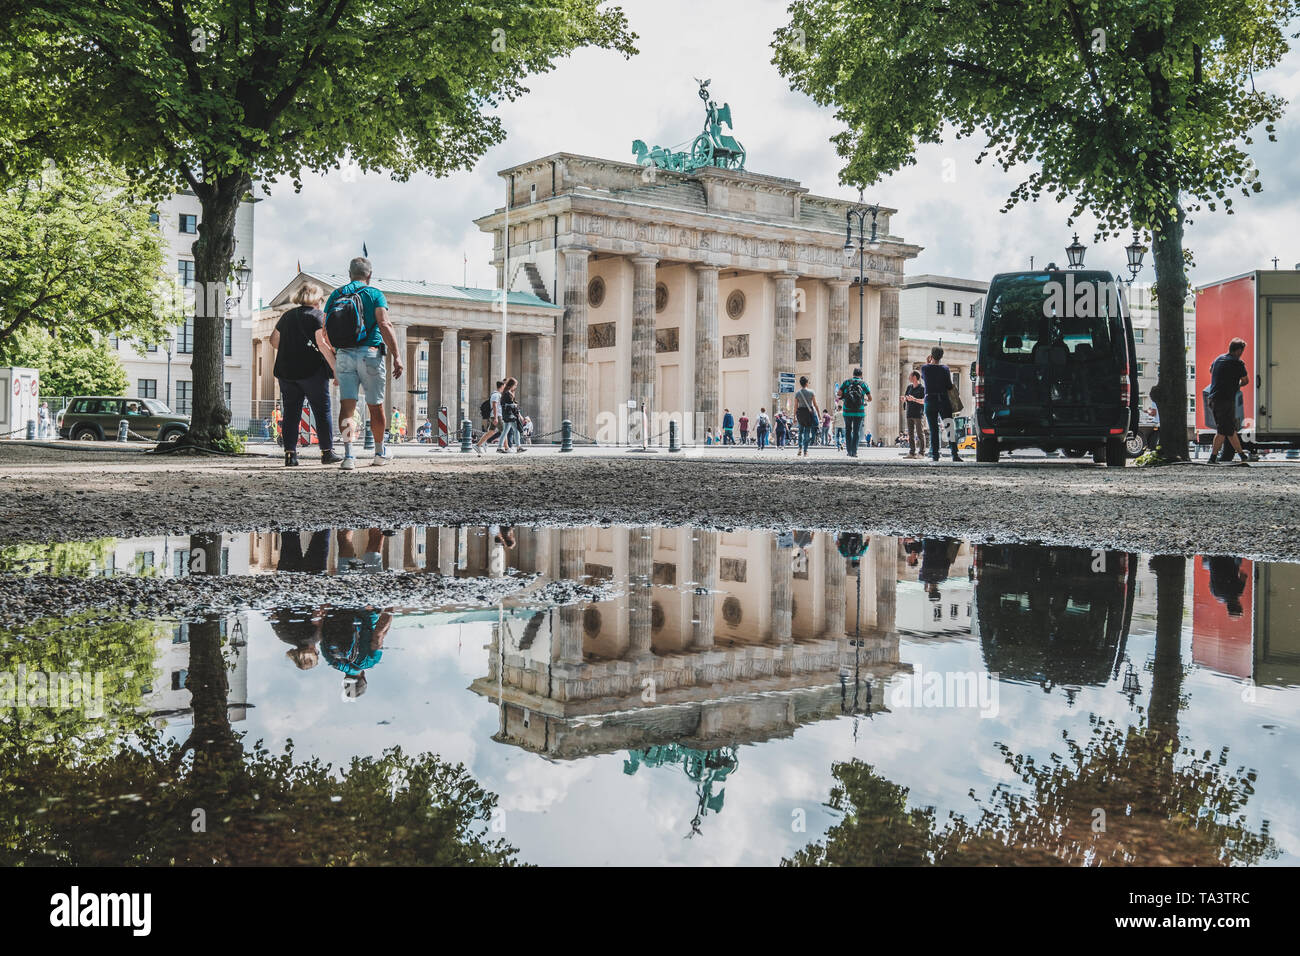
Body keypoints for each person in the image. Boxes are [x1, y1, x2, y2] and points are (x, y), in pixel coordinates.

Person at [324, 257, 403, 468]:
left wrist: (337, 352)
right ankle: (379, 452)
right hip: (370, 353)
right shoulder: (374, 294)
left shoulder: (336, 294)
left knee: (347, 407)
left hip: (343, 355)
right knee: (375, 406)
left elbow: (325, 330)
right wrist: (397, 356)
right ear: (369, 275)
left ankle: (349, 456)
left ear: (349, 274)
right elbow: (384, 324)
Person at [272, 282, 340, 466]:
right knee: (322, 410)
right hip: (312, 372)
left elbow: (273, 340)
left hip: (286, 371)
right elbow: (323, 345)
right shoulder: (318, 317)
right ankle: (327, 452)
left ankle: (290, 455)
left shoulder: (286, 316)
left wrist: (291, 348)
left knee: (291, 413)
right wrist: (336, 368)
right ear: (316, 299)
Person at [1208, 337, 1250, 465]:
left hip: (1213, 398)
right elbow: (1245, 380)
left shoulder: (1218, 359)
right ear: (1238, 351)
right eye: (1242, 351)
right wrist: (1236, 384)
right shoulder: (1238, 363)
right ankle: (1212, 458)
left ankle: (1242, 456)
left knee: (1230, 430)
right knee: (1222, 430)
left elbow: (1211, 370)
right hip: (1225, 400)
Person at [920, 348, 961, 462]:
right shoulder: (945, 369)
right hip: (943, 400)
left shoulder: (925, 368)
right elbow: (948, 385)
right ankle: (954, 454)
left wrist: (928, 362)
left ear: (931, 356)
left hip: (930, 400)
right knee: (949, 427)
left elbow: (923, 378)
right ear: (941, 357)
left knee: (934, 429)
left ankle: (935, 455)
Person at [838, 367, 872, 457]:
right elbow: (870, 398)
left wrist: (845, 396)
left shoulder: (846, 382)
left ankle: (849, 451)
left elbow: (839, 393)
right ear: (861, 375)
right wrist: (864, 399)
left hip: (847, 411)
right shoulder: (863, 383)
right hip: (859, 411)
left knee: (848, 430)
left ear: (853, 374)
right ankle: (854, 452)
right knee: (856, 431)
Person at [475, 379, 505, 455]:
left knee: (492, 431)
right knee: (504, 431)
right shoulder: (496, 395)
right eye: (504, 386)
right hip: (496, 416)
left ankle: (478, 445)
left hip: (495, 415)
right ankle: (504, 447)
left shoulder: (496, 394)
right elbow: (494, 405)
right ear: (502, 386)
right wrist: (495, 417)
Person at [794, 376, 822, 458]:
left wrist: (794, 418)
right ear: (807, 383)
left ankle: (799, 448)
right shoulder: (811, 392)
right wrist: (819, 415)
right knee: (807, 432)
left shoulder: (798, 393)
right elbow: (815, 405)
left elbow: (795, 406)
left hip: (800, 413)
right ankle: (805, 451)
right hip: (808, 413)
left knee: (800, 431)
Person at [498, 377, 526, 453]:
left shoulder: (505, 392)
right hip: (510, 416)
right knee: (516, 430)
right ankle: (518, 447)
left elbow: (504, 404)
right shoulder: (508, 393)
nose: (516, 387)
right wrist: (516, 408)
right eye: (515, 385)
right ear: (512, 385)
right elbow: (510, 405)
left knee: (505, 432)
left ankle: (499, 447)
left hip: (506, 415)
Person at [902, 369, 926, 458]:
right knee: (910, 434)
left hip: (918, 414)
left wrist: (914, 399)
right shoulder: (909, 387)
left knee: (920, 433)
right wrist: (904, 399)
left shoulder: (922, 388)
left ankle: (922, 453)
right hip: (909, 413)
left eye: (910, 376)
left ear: (914, 377)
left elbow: (924, 401)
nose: (909, 377)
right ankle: (912, 452)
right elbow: (906, 397)